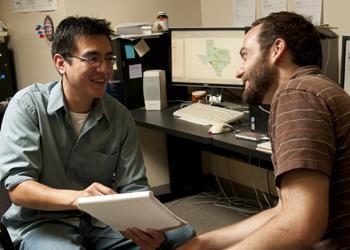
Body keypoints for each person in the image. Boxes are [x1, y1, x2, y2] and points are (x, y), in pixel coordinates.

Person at [0, 16, 194, 250]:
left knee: (182, 235)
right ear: (61, 63)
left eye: (108, 58)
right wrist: (79, 198)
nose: (105, 69)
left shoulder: (120, 116)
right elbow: (19, 189)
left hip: (102, 223)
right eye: (92, 58)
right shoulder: (28, 106)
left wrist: (146, 224)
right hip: (42, 222)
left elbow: (134, 186)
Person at [179, 11, 350, 249]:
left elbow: (299, 226)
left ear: (277, 49)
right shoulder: (317, 89)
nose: (238, 71)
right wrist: (205, 242)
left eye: (245, 55)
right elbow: (285, 211)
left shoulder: (297, 95)